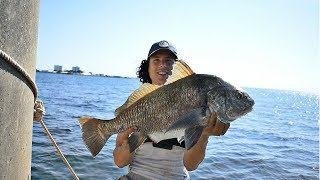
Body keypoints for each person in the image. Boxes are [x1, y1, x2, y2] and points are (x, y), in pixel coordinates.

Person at [113, 40, 230, 180]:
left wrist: (204, 136)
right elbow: (120, 162)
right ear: (148, 67)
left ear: (177, 68)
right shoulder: (136, 106)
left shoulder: (193, 102)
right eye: (156, 60)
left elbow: (191, 165)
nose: (162, 64)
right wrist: (127, 147)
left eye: (169, 61)